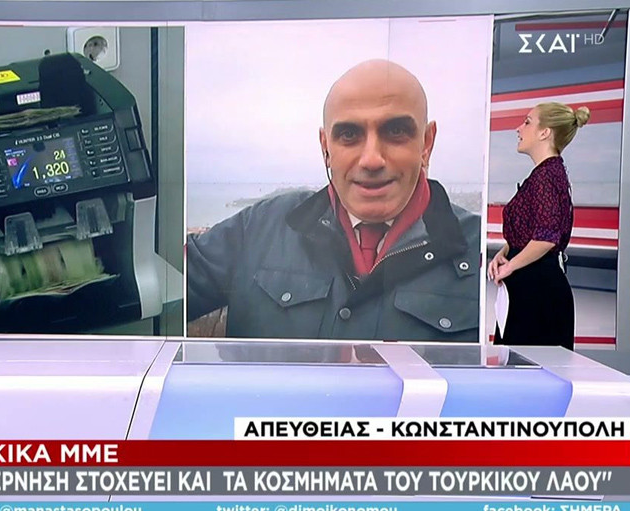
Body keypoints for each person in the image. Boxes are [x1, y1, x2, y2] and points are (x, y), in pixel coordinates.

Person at [186, 59, 481, 341]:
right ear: (325, 147)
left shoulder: (480, 254)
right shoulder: (259, 229)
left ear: (427, 143)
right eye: (349, 134)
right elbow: (166, 285)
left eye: (395, 131)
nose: (371, 159)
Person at [487, 102, 589, 351]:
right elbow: (533, 231)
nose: (519, 128)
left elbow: (546, 237)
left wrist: (510, 265)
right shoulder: (547, 174)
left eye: (527, 122)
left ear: (545, 133)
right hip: (530, 288)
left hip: (536, 293)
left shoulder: (546, 177)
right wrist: (505, 252)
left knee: (527, 368)